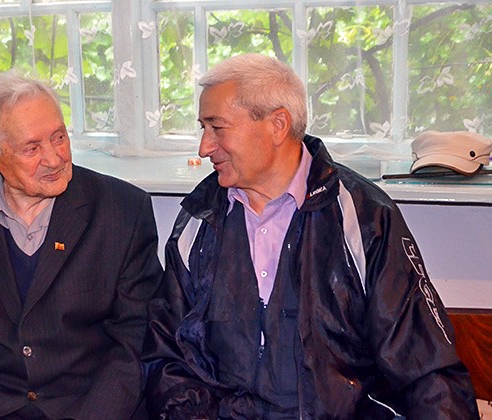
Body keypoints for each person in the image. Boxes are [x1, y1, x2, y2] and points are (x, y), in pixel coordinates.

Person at [141, 53, 479, 419]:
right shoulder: (200, 218)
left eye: (217, 128)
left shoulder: (363, 217)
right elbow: (169, 356)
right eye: (203, 128)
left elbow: (426, 366)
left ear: (277, 125)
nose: (204, 147)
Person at [0, 71, 163, 419]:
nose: (54, 159)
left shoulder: (122, 211)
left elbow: (136, 337)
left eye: (59, 137)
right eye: (32, 148)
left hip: (88, 404)